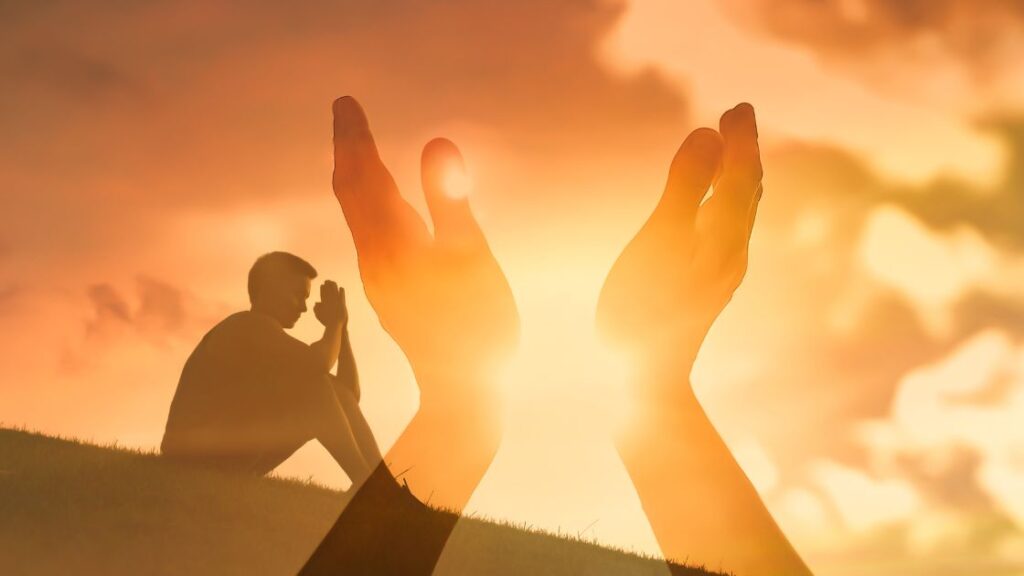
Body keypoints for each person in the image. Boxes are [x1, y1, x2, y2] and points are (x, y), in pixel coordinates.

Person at [160, 251, 380, 485]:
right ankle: (366, 485)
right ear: (269, 289)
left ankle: (381, 485)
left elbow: (347, 395)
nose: (304, 308)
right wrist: (335, 323)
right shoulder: (247, 325)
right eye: (298, 295)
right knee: (316, 387)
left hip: (220, 452)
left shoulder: (270, 339)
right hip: (190, 457)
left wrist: (342, 330)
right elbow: (320, 365)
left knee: (322, 388)